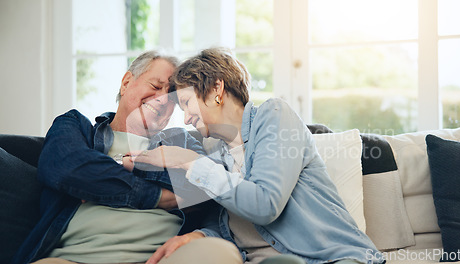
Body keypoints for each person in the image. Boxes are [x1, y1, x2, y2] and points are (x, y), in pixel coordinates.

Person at [134, 47, 385, 264]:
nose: (187, 118)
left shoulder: (274, 115)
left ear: (215, 88)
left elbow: (265, 205)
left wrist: (188, 160)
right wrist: (195, 236)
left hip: (332, 258)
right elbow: (224, 227)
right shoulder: (218, 158)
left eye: (187, 103)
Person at [12, 50, 242, 264]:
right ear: (126, 83)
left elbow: (208, 188)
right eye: (156, 85)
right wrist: (159, 197)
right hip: (73, 257)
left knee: (221, 253)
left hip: (160, 259)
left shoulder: (182, 141)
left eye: (172, 98)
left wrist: (106, 176)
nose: (163, 99)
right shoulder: (77, 128)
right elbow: (64, 168)